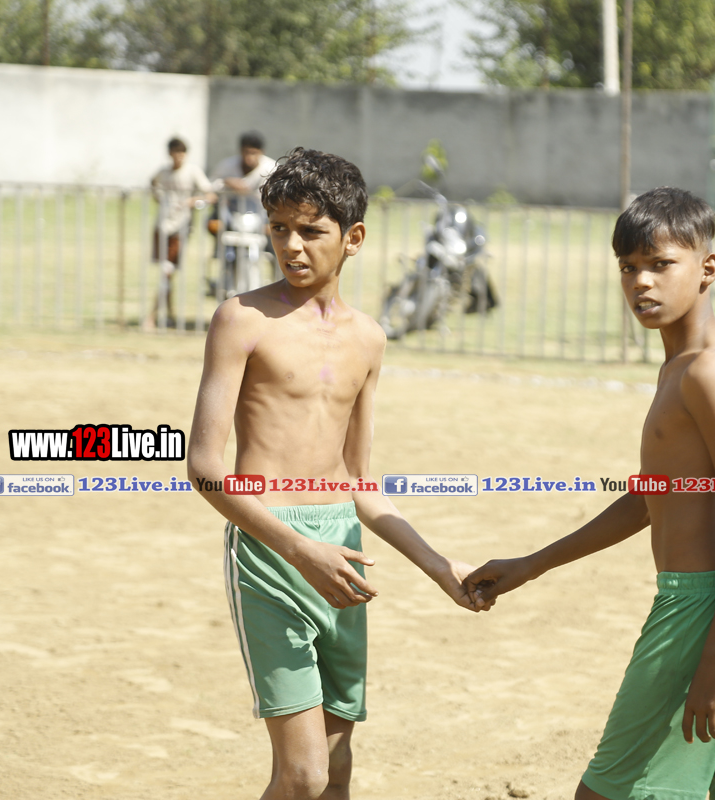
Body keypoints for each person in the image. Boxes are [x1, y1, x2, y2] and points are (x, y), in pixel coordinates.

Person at [464, 187, 715, 800]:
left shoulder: (706, 371)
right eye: (628, 267)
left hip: (704, 607)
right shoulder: (687, 364)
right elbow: (651, 498)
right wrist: (532, 564)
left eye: (661, 264)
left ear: (708, 269)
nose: (641, 281)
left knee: (607, 791)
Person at [187, 147, 486, 800]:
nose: (291, 246)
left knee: (336, 771)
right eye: (279, 228)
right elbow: (205, 467)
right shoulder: (241, 319)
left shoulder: (370, 338)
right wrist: (300, 550)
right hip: (270, 548)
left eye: (311, 230)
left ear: (353, 238)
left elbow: (360, 483)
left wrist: (441, 568)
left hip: (343, 551)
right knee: (303, 776)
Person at [147, 137, 214, 330]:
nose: (179, 157)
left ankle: (152, 316)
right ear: (170, 154)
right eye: (176, 153)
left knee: (167, 272)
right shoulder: (164, 172)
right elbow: (153, 182)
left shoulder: (192, 171)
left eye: (182, 153)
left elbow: (209, 195)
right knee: (166, 273)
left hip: (181, 227)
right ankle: (169, 315)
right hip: (162, 225)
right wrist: (159, 198)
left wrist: (191, 202)